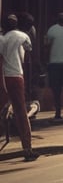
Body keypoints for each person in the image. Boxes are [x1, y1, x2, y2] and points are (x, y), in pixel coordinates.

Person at [0, 14, 38, 161]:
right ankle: (27, 148)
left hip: (5, 76)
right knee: (21, 112)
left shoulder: (2, 39)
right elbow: (28, 55)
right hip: (17, 76)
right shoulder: (23, 36)